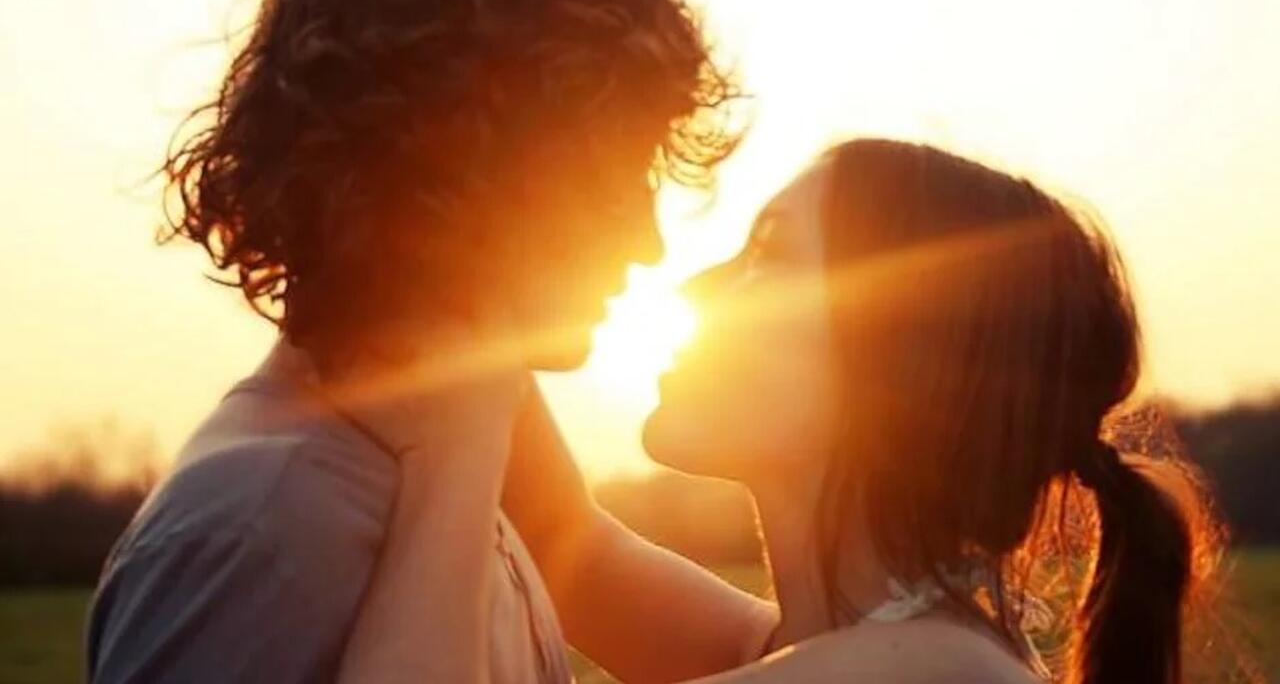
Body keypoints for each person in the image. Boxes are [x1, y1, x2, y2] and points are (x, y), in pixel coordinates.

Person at [86, 0, 780, 681]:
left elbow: (598, 560)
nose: (648, 243)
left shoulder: (454, 450)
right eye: (613, 187)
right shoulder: (257, 531)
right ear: (465, 175)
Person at [340, 139, 1217, 683]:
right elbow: (566, 540)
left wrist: (452, 449)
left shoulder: (926, 673)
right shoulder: (841, 646)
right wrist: (435, 248)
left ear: (900, 355)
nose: (694, 285)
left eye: (766, 255)